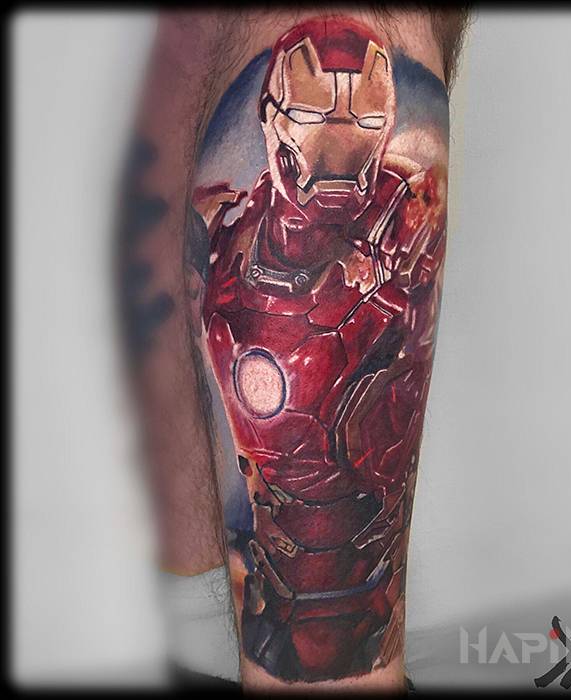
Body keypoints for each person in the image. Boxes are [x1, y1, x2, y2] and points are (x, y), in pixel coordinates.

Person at [117, 7, 468, 693]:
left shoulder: (395, 227)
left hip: (301, 626)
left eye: (359, 120)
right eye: (316, 117)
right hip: (223, 598)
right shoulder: (235, 230)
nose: (337, 143)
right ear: (277, 121)